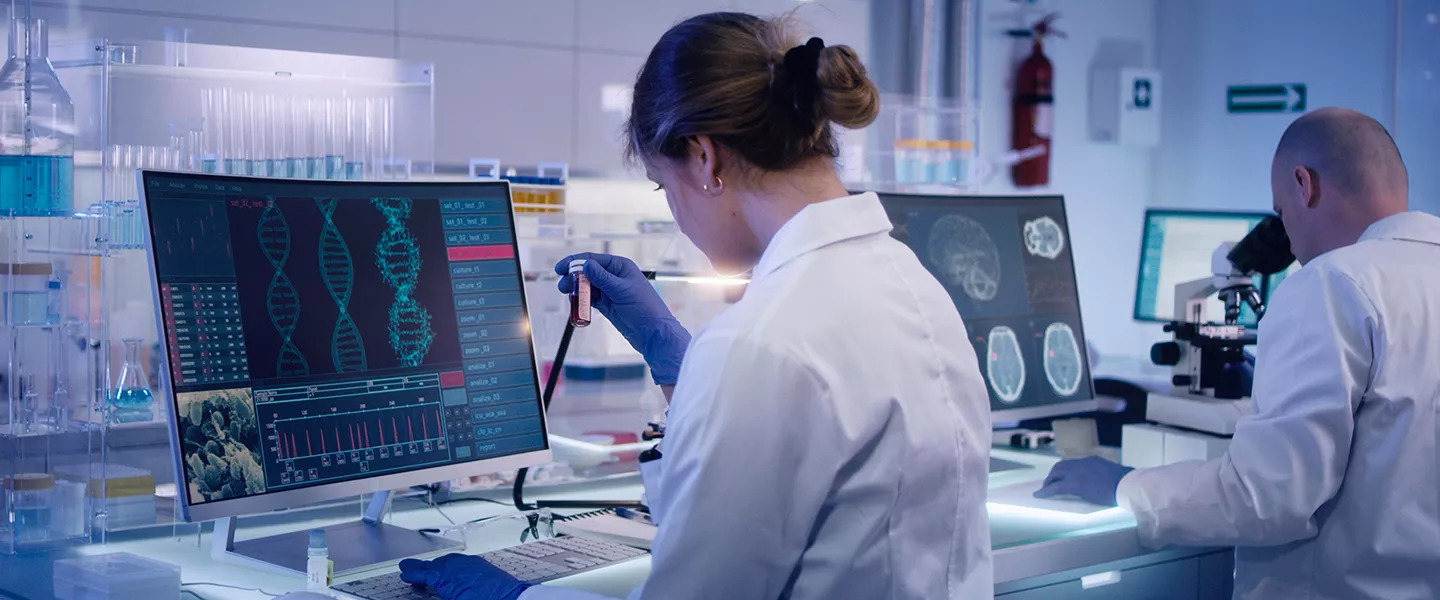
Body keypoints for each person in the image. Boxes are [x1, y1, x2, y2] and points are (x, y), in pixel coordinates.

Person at [398, 11, 995, 600]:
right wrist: (675, 361)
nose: (678, 218)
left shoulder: (761, 342)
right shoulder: (912, 282)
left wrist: (517, 599)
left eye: (664, 187)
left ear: (704, 159)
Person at [1034, 107, 1440, 599]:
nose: (1286, 234)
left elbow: (1265, 497)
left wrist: (1124, 486)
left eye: (1282, 212)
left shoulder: (1332, 283)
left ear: (1302, 184)